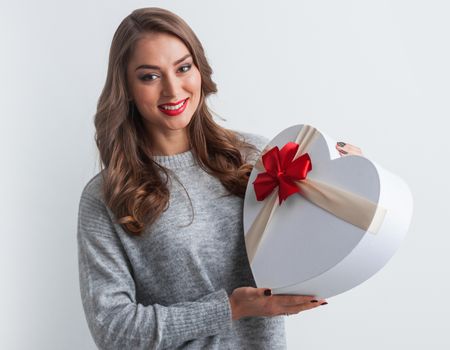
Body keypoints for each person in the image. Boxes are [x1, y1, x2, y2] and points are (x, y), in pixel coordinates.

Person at [77, 7, 363, 349]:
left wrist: (342, 178)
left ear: (199, 69)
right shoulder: (108, 195)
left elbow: (310, 241)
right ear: (125, 86)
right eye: (149, 76)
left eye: (183, 68)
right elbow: (113, 330)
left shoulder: (255, 157)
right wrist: (230, 308)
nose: (172, 89)